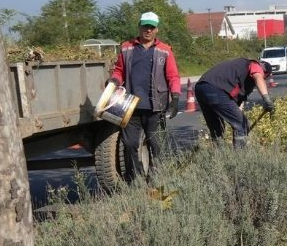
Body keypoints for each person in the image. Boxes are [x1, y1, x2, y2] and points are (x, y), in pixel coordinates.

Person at [109, 10, 181, 182]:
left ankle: (156, 179)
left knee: (155, 145)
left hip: (155, 107)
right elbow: (119, 70)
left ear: (156, 30)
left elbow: (173, 76)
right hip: (130, 106)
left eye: (151, 27)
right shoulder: (127, 47)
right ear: (139, 27)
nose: (147, 30)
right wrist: (113, 80)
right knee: (130, 144)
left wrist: (176, 98)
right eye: (145, 26)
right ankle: (135, 180)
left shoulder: (165, 50)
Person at [194, 57, 275, 147]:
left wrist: (237, 117)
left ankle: (219, 156)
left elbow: (237, 103)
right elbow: (258, 77)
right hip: (216, 89)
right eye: (265, 77)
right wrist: (266, 99)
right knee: (242, 124)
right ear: (265, 74)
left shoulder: (240, 71)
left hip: (201, 88)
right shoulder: (255, 65)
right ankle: (238, 156)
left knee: (217, 129)